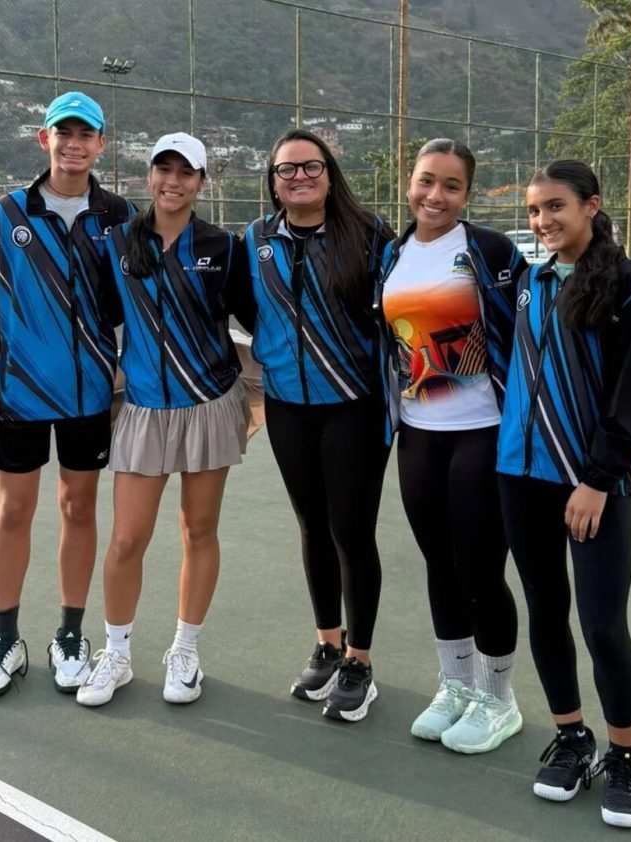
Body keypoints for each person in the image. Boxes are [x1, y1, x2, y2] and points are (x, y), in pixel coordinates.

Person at [497, 159, 631, 828]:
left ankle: (624, 757)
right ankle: (572, 737)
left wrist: (597, 479)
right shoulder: (531, 281)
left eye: (556, 207)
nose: (543, 222)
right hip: (521, 476)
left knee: (601, 624)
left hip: (591, 483)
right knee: (544, 610)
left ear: (592, 205)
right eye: (535, 211)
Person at [0, 91, 135, 699]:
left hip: (90, 395)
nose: (75, 143)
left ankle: (70, 634)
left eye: (87, 134)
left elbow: (131, 302)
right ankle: (5, 639)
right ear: (44, 139)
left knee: (78, 510)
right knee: (13, 512)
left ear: (101, 145)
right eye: (65, 132)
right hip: (20, 393)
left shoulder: (119, 218)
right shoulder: (7, 215)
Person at [74, 132, 255, 707]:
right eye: (163, 170)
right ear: (147, 177)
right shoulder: (119, 242)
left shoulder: (222, 247)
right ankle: (118, 654)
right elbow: (101, 320)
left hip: (208, 405)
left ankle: (185, 652)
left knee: (198, 532)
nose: (172, 182)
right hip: (145, 410)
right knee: (127, 539)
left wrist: (256, 395)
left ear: (202, 183)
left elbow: (257, 321)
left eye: (186, 172)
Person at [377, 139, 528, 752]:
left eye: (450, 186)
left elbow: (527, 334)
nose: (434, 196)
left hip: (482, 434)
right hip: (417, 437)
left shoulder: (489, 251)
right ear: (409, 182)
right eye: (425, 181)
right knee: (439, 564)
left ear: (467, 194)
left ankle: (499, 698)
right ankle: (456, 686)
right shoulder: (391, 253)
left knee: (479, 569)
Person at [245, 128, 394, 722]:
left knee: (351, 531)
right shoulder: (254, 240)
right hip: (287, 406)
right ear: (273, 181)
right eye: (287, 170)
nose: (299, 178)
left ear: (330, 174)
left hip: (354, 404)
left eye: (311, 167)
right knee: (312, 525)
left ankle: (359, 660)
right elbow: (237, 303)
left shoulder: (370, 234)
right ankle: (327, 643)